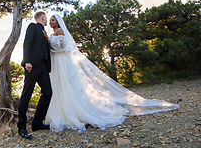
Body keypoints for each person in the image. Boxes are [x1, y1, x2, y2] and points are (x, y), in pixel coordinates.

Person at [43, 14, 180, 133]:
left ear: (58, 22)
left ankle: (71, 113)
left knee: (66, 86)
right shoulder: (53, 32)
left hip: (62, 61)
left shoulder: (60, 30)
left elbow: (62, 47)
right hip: (57, 62)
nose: (51, 22)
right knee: (59, 86)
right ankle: (60, 113)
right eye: (50, 20)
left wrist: (48, 40)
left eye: (53, 20)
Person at [18, 11, 52, 139]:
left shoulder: (44, 33)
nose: (47, 21)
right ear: (43, 18)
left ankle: (37, 123)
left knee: (48, 92)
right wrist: (27, 61)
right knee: (27, 94)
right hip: (32, 66)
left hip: (43, 67)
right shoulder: (33, 26)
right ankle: (21, 127)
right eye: (46, 18)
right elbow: (27, 44)